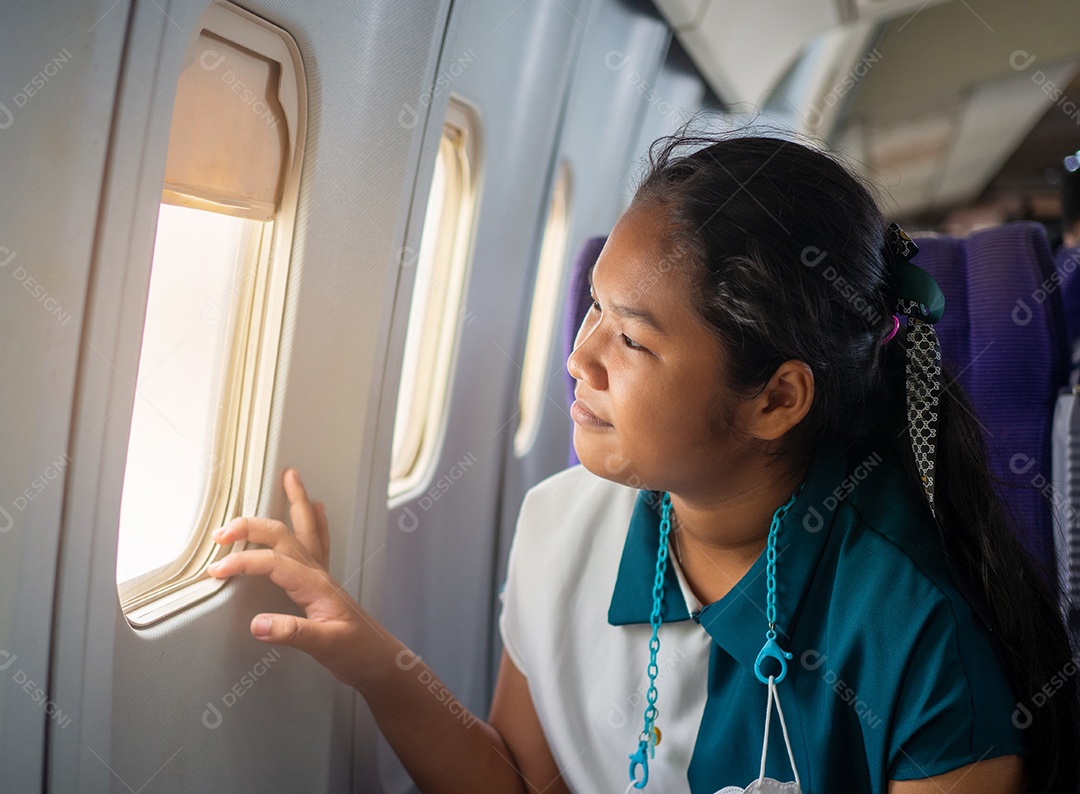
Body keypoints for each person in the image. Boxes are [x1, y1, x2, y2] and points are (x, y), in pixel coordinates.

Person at [207, 132, 1079, 794]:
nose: (578, 359)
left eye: (629, 338)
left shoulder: (921, 640)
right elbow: (524, 784)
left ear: (775, 399)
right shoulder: (559, 524)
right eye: (593, 310)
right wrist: (370, 657)